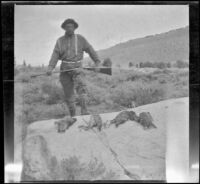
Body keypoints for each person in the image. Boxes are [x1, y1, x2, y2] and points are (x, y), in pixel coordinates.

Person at [47, 18, 101, 117]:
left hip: (78, 69)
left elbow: (90, 50)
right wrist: (50, 67)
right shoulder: (60, 41)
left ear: (74, 28)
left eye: (71, 26)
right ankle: (73, 117)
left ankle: (85, 113)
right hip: (65, 70)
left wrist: (97, 62)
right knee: (69, 95)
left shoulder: (80, 39)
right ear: (64, 28)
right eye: (67, 27)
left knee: (82, 90)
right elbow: (55, 55)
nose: (69, 28)